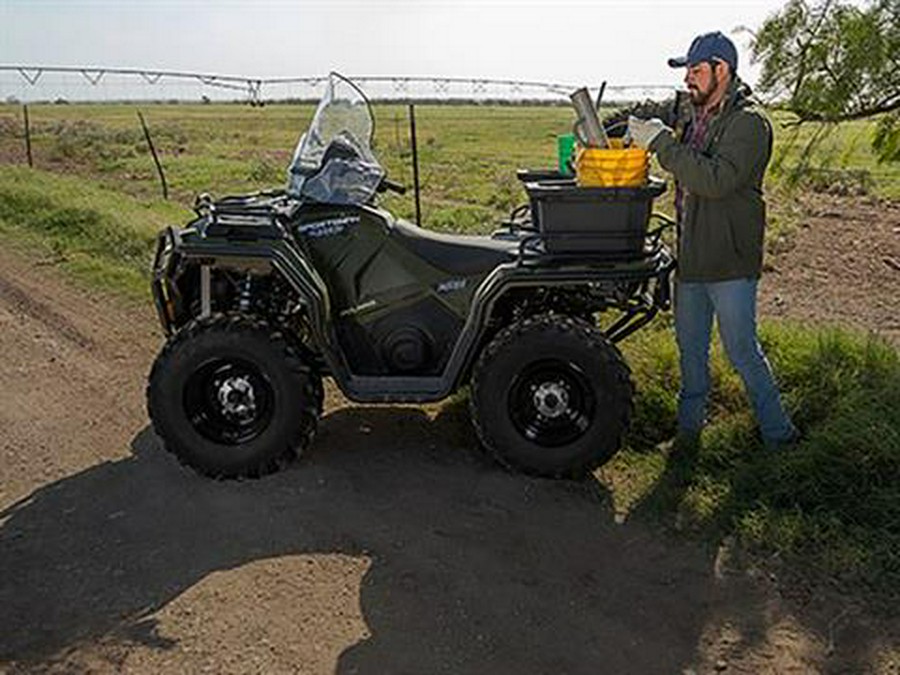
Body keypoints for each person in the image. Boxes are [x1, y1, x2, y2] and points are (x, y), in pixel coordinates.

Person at [609, 31, 799, 450]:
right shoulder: (695, 116)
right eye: (687, 72)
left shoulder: (749, 123)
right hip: (692, 257)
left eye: (696, 71)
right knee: (690, 353)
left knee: (742, 352)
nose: (688, 80)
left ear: (721, 71)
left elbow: (715, 181)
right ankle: (688, 436)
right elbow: (678, 159)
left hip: (729, 260)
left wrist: (661, 144)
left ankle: (779, 436)